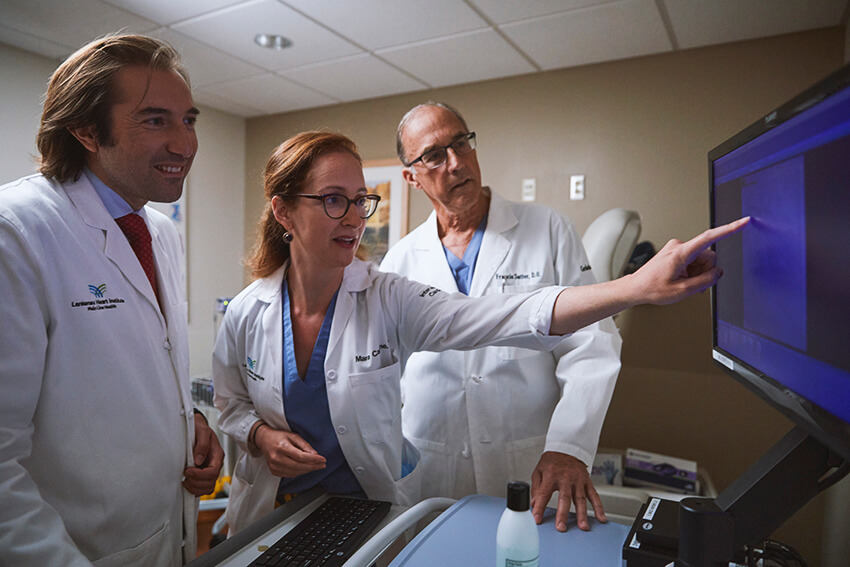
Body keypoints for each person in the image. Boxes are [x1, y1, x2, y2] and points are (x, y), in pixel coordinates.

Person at [211, 130, 748, 535]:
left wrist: (633, 287)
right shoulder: (244, 312)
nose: (354, 217)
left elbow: (509, 314)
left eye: (360, 199)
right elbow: (231, 406)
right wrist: (259, 436)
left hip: (364, 521)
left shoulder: (388, 295)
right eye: (334, 200)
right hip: (267, 522)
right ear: (283, 211)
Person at [0, 34, 223, 566]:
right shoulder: (18, 234)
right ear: (84, 130)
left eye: (188, 120)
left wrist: (187, 420)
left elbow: (135, 367)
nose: (184, 144)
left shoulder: (158, 233)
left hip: (167, 536)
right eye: (155, 120)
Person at [380, 101, 619, 532]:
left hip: (529, 461)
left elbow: (593, 344)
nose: (455, 163)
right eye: (434, 155)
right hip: (429, 466)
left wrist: (568, 447)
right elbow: (380, 376)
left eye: (461, 144)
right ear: (411, 177)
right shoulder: (399, 260)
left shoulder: (548, 230)